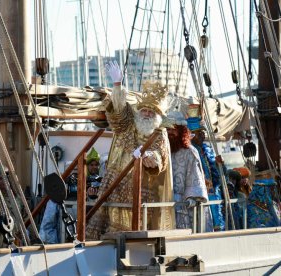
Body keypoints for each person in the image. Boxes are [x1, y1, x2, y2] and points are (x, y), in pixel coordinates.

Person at [86, 61, 174, 239]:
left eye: (152, 111)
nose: (147, 114)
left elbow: (160, 158)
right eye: (145, 110)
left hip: (141, 189)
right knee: (109, 220)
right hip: (115, 183)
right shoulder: (129, 124)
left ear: (158, 116)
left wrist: (149, 155)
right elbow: (118, 113)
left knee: (133, 226)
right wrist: (117, 85)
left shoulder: (159, 133)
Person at [166, 111, 211, 231]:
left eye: (173, 129)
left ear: (181, 131)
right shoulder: (163, 152)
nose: (170, 133)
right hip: (163, 206)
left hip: (182, 206)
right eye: (167, 129)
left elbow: (195, 179)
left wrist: (190, 200)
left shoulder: (190, 152)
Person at [188, 112, 225, 231]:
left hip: (213, 194)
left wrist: (220, 165)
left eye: (203, 133)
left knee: (218, 225)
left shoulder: (207, 150)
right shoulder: (189, 151)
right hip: (200, 195)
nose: (203, 136)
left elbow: (219, 176)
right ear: (191, 135)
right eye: (200, 133)